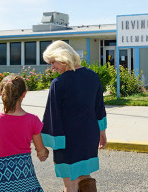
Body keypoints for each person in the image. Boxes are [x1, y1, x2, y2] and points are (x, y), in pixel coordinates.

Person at [41, 40, 107, 192]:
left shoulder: (59, 83)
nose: (52, 68)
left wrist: (44, 144)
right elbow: (99, 108)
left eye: (52, 62)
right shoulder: (93, 76)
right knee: (85, 176)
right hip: (89, 136)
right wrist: (101, 131)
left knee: (70, 184)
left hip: (68, 140)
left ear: (63, 57)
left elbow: (52, 116)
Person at [0, 75, 49, 192]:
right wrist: (44, 153)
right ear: (24, 94)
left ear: (1, 93)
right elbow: (41, 152)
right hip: (25, 176)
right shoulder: (33, 120)